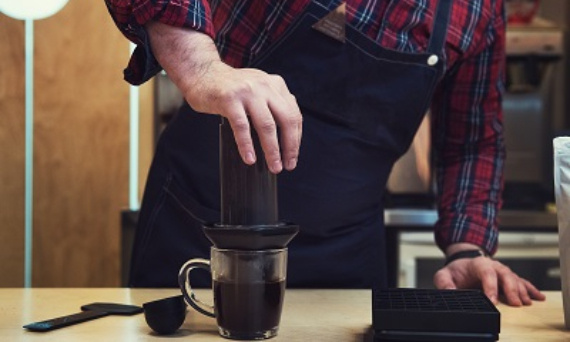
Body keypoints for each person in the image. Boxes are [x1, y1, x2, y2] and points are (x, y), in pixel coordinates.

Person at [105, 0, 545, 306]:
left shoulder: (477, 11)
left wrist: (466, 250)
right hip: (204, 235)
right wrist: (202, 69)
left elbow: (471, 142)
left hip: (347, 255)